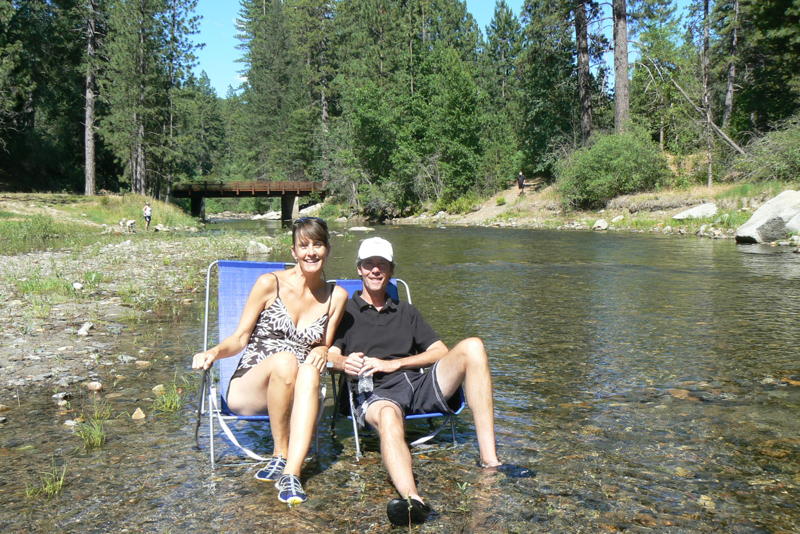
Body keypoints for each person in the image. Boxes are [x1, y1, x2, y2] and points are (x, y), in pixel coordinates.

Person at [328, 237, 531, 526]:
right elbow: (328, 355)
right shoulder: (346, 313)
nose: (375, 270)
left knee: (473, 346)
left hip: (416, 384)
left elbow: (439, 351)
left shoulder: (406, 311)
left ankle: (491, 461)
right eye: (369, 264)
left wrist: (395, 363)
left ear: (391, 270)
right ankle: (413, 501)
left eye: (382, 265)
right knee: (388, 416)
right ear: (359, 269)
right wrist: (344, 362)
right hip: (376, 391)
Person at [192, 217, 348, 505]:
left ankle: (291, 473)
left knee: (310, 371)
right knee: (286, 361)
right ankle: (279, 453)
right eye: (304, 246)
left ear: (327, 249)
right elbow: (240, 338)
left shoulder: (336, 296)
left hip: (296, 388)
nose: (311, 252)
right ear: (293, 251)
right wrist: (213, 352)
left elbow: (324, 345)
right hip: (251, 387)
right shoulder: (269, 283)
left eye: (317, 245)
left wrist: (324, 351)